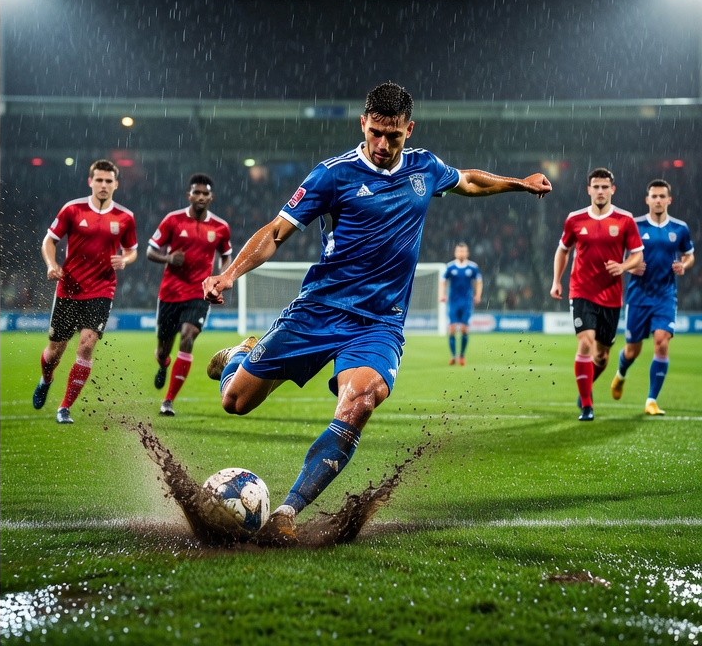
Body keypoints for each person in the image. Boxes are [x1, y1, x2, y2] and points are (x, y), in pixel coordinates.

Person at [201, 82, 551, 544]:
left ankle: (287, 511)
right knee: (236, 402)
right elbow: (276, 232)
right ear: (363, 123)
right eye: (376, 133)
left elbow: (467, 180)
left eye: (394, 136)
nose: (383, 145)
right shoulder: (332, 175)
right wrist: (229, 274)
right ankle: (239, 356)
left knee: (361, 400)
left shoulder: (425, 168)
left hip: (379, 323)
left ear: (410, 129)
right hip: (319, 310)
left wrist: (519, 183)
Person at [34, 159, 138, 424]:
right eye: (99, 180)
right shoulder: (72, 210)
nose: (103, 185)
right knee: (55, 351)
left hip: (102, 289)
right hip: (69, 288)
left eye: (108, 181)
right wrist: (51, 264)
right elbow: (49, 241)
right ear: (90, 182)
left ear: (116, 184)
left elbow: (132, 250)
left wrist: (125, 260)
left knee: (87, 344)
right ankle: (46, 379)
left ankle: (64, 407)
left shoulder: (125, 217)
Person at [550, 167, 643, 422]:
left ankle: (586, 385)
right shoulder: (575, 219)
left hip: (611, 296)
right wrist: (556, 281)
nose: (600, 191)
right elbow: (563, 250)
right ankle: (587, 406)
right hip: (581, 290)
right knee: (585, 343)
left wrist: (623, 266)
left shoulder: (625, 220)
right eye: (596, 187)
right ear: (589, 190)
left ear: (612, 190)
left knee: (601, 355)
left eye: (605, 187)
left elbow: (638, 255)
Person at [146, 174, 232, 416]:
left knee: (187, 336)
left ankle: (168, 401)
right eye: (197, 192)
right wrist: (168, 258)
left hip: (199, 293)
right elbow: (150, 250)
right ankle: (163, 363)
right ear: (189, 195)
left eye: (205, 193)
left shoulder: (220, 227)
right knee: (163, 350)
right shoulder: (172, 220)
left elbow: (226, 255)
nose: (201, 197)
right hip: (170, 293)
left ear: (211, 197)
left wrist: (223, 276)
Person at [611, 179, 693, 415]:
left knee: (662, 342)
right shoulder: (634, 225)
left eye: (662, 196)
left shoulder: (680, 228)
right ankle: (621, 373)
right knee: (632, 351)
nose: (658, 200)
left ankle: (651, 400)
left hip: (666, 295)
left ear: (669, 200)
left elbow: (689, 254)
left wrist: (684, 265)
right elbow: (619, 254)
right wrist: (630, 265)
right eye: (654, 196)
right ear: (647, 200)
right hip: (638, 296)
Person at [438, 242, 481, 365]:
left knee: (464, 329)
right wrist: (442, 295)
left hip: (466, 302)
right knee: (451, 328)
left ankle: (461, 355)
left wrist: (478, 295)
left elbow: (478, 281)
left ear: (467, 253)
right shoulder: (450, 267)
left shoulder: (473, 267)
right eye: (459, 251)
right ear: (455, 253)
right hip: (453, 302)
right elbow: (443, 281)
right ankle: (453, 356)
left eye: (463, 251)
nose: (461, 253)